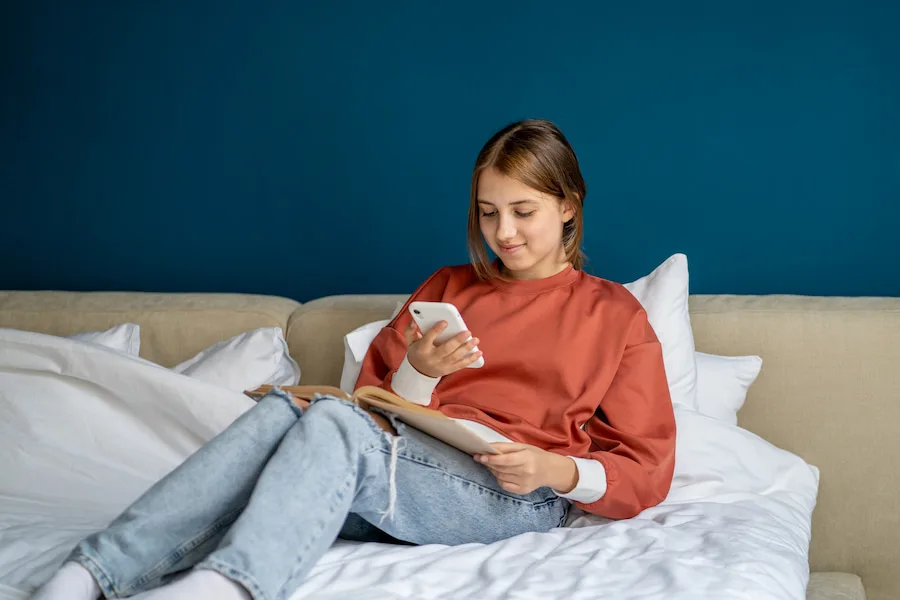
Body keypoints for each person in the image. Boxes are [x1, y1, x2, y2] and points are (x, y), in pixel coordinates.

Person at [31, 119, 676, 600]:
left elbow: (645, 469)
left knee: (329, 424)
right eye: (487, 213)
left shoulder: (614, 314)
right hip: (419, 469)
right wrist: (420, 371)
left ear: (567, 207)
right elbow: (377, 401)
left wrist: (555, 470)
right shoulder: (449, 287)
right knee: (290, 409)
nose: (502, 233)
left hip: (516, 491)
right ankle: (90, 572)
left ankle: (230, 586)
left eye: (523, 211)